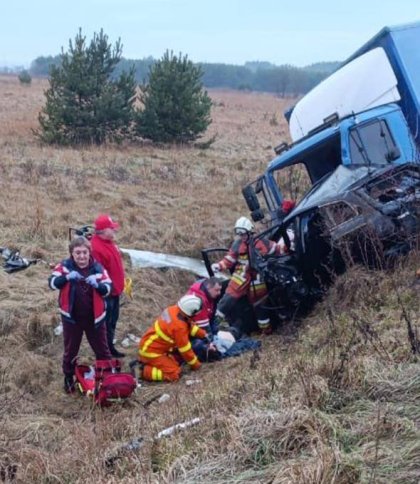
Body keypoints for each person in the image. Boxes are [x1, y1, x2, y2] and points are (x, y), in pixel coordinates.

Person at [48, 236, 113, 393]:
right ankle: (69, 378)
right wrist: (66, 278)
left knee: (102, 350)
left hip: (95, 319)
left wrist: (98, 285)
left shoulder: (98, 268)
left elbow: (108, 289)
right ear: (72, 254)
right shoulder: (65, 266)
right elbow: (52, 283)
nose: (82, 256)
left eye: (84, 252)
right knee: (71, 350)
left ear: (89, 252)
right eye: (78, 253)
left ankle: (107, 378)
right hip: (72, 319)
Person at [211, 216, 282, 335]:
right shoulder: (238, 244)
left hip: (258, 277)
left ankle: (266, 331)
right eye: (239, 234)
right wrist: (220, 265)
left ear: (250, 231)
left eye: (243, 233)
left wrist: (289, 247)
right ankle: (214, 323)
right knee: (228, 298)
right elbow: (230, 259)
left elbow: (277, 249)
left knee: (260, 306)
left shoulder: (262, 242)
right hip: (241, 275)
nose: (241, 236)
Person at [138, 295, 209, 382]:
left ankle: (148, 364)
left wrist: (204, 334)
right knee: (174, 374)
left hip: (150, 344)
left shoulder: (174, 310)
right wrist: (196, 365)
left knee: (175, 363)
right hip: (151, 352)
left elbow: (189, 326)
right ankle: (143, 371)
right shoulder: (179, 327)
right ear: (190, 312)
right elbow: (185, 350)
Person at [91, 214, 126, 358]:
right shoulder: (96, 248)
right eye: (112, 228)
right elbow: (98, 274)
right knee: (104, 324)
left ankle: (110, 347)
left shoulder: (109, 242)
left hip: (115, 292)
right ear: (103, 231)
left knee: (112, 322)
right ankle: (104, 352)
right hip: (107, 294)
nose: (114, 231)